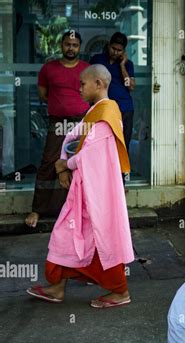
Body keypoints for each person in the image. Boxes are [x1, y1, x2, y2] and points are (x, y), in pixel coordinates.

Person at [26, 64, 134, 308]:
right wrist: (62, 161)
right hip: (86, 189)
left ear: (99, 83)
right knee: (72, 236)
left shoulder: (106, 115)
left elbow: (90, 155)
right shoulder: (96, 111)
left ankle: (119, 291)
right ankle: (57, 287)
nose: (79, 89)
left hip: (96, 193)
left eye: (83, 84)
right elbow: (74, 138)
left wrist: (65, 164)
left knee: (95, 237)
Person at [25, 30, 90, 228]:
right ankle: (37, 210)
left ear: (80, 47)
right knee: (48, 163)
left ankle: (83, 211)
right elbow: (44, 95)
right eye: (67, 44)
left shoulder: (87, 70)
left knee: (83, 165)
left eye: (75, 45)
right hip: (58, 123)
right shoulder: (49, 68)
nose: (71, 48)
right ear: (61, 45)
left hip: (82, 123)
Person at [90, 32, 135, 153]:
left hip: (124, 109)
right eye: (113, 48)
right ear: (108, 45)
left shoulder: (128, 64)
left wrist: (122, 66)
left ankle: (121, 172)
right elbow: (89, 82)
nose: (115, 52)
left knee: (122, 145)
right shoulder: (97, 60)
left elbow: (130, 86)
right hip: (103, 109)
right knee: (101, 144)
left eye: (119, 50)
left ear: (124, 51)